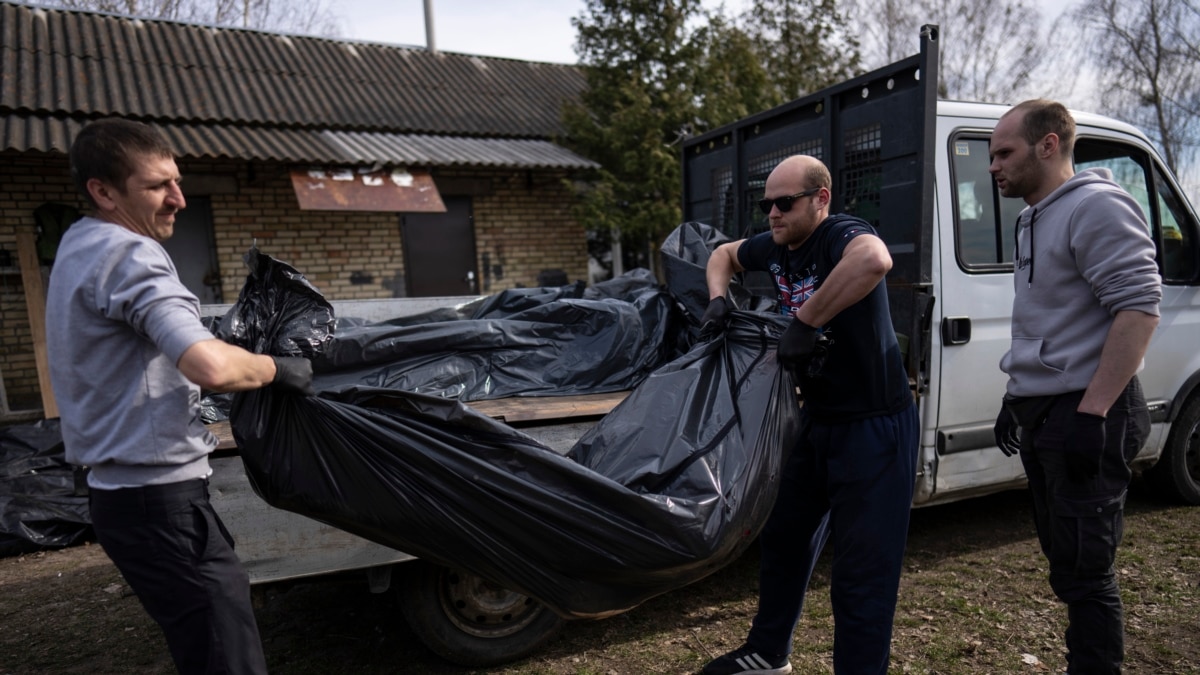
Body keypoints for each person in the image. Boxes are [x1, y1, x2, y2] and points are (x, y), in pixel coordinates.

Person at [46, 118, 314, 675]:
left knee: (204, 647)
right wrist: (280, 368)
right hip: (160, 504)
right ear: (103, 190)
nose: (179, 200)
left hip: (121, 500)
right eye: (157, 186)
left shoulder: (79, 243)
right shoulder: (129, 255)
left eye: (177, 181)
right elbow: (209, 365)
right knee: (226, 657)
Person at [698, 154, 919, 674]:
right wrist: (716, 299)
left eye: (784, 202)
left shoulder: (839, 233)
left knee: (861, 576)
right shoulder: (776, 245)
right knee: (784, 540)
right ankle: (769, 653)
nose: (772, 213)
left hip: (874, 427)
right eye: (766, 203)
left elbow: (874, 262)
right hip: (817, 422)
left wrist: (807, 319)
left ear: (820, 200)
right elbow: (722, 255)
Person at [990, 99, 1160, 674]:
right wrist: (1016, 398)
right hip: (1045, 413)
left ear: (1049, 145)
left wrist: (1093, 414)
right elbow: (1050, 321)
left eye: (1004, 152)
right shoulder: (1030, 216)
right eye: (992, 155)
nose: (994, 166)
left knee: (1087, 572)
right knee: (1065, 560)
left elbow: (1138, 308)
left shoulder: (1096, 206)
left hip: (1088, 412)